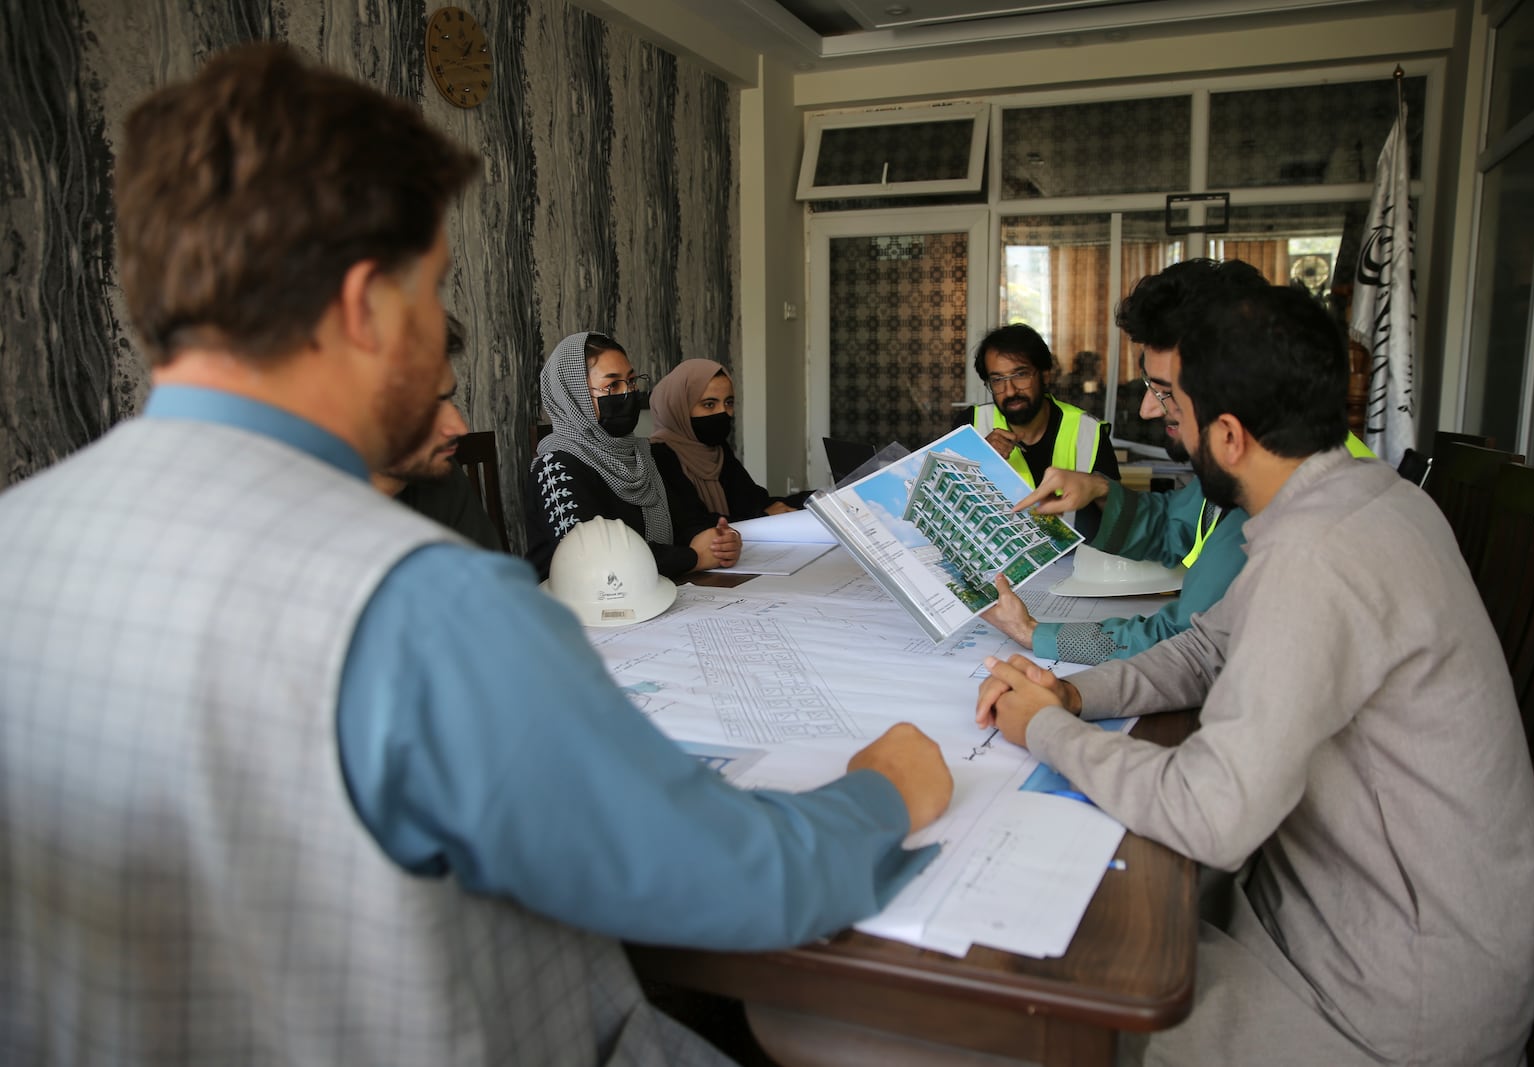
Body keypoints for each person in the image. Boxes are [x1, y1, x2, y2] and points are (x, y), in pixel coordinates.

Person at [0, 43, 954, 1066]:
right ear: (368, 303)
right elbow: (736, 878)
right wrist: (881, 789)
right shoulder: (424, 604)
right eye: (435, 292)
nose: (446, 339)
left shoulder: (18, 541)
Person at [976, 284, 1534, 1066]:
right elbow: (1209, 647)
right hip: (1331, 912)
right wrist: (1072, 691)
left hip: (1387, 1004)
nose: (1150, 415)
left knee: (1024, 1009)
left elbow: (1212, 811)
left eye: (1169, 398)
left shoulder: (1317, 555)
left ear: (1232, 434)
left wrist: (1043, 727)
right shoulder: (1356, 500)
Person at [983, 259, 1376, 665]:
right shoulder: (1261, 451)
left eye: (1165, 390)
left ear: (1232, 376)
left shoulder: (1290, 498)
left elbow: (1187, 645)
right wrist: (1096, 494)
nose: (1149, 410)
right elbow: (1176, 525)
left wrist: (1035, 635)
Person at [526, 333, 741, 580]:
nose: (627, 393)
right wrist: (694, 558)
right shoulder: (556, 468)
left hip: (653, 597)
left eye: (631, 381)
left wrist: (719, 541)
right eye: (612, 385)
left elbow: (688, 519)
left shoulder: (645, 455)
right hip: (574, 609)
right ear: (574, 396)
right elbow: (593, 560)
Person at [953, 322, 1119, 538]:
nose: (1010, 390)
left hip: (1073, 565)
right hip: (996, 563)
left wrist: (1096, 488)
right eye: (998, 380)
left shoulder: (1088, 431)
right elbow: (946, 507)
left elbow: (1118, 519)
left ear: (1046, 375)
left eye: (1020, 375)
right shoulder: (971, 424)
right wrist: (978, 459)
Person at [371, 312, 503, 551]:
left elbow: (487, 582)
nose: (459, 428)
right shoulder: (298, 520)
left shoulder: (439, 476)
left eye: (449, 399)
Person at [649, 358, 806, 528]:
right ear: (679, 407)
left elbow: (754, 502)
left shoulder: (718, 451)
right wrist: (764, 516)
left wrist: (815, 499)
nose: (723, 413)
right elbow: (690, 524)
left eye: (729, 403)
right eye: (709, 404)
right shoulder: (658, 457)